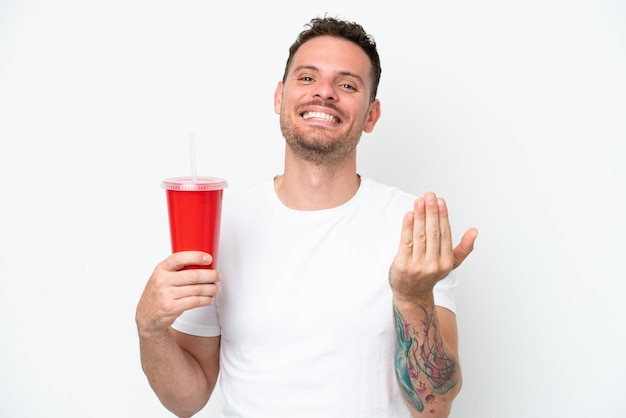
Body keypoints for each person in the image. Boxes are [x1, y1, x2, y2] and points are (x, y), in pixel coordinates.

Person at [136, 16, 478, 418]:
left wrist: (413, 297)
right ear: (280, 97)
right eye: (307, 78)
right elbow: (187, 400)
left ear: (371, 115)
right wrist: (150, 329)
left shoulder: (411, 225)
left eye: (347, 84)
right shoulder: (222, 224)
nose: (324, 93)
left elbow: (433, 408)